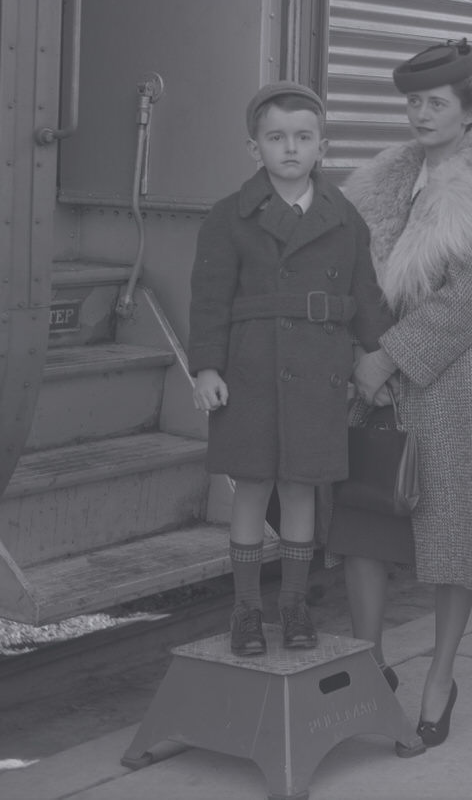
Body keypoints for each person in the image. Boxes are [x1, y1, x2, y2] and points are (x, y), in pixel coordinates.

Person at [336, 39, 472, 749]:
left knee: (453, 535)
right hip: (377, 377)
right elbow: (353, 280)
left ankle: (439, 675)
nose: (420, 113)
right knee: (365, 524)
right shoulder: (383, 178)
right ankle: (368, 665)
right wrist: (363, 356)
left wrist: (389, 358)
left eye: (436, 103)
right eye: (413, 102)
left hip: (450, 383)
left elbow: (470, 299)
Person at [188, 81, 390, 656]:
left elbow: (365, 293)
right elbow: (208, 299)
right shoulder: (229, 217)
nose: (291, 149)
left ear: (323, 147)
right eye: (276, 138)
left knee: (303, 491)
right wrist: (206, 368)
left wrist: (379, 357)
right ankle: (247, 611)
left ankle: (295, 605)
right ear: (255, 150)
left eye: (303, 138)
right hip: (250, 372)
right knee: (251, 489)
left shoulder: (344, 218)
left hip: (319, 370)